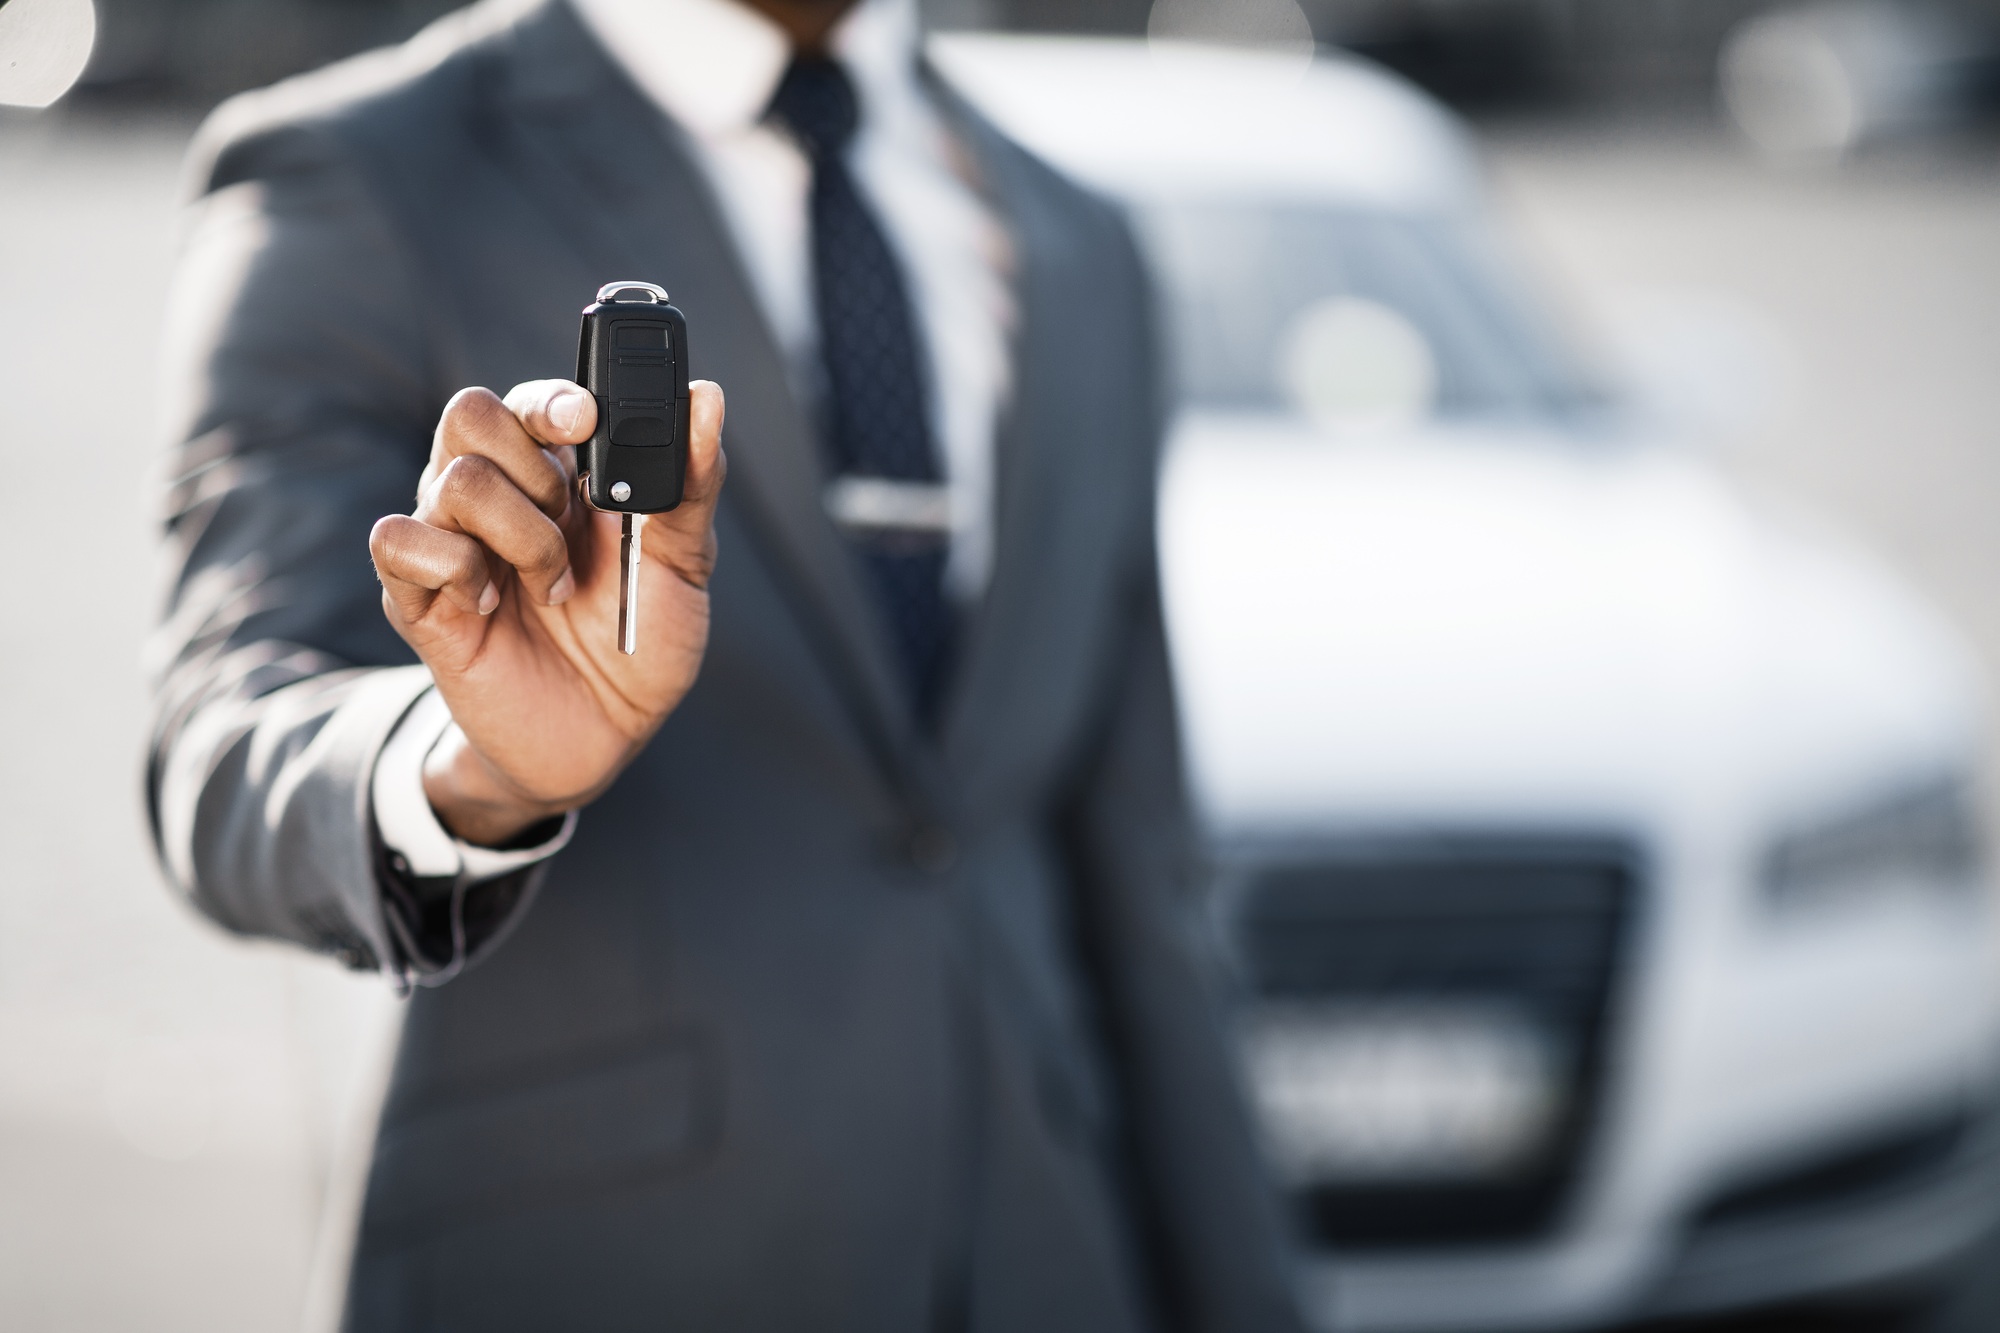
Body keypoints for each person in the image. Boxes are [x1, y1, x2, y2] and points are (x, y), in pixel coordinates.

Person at [148, 0, 1305, 1327]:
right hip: (609, 1270)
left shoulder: (1079, 240)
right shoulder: (362, 174)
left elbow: (1138, 881)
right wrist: (478, 765)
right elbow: (222, 743)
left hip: (1050, 1257)